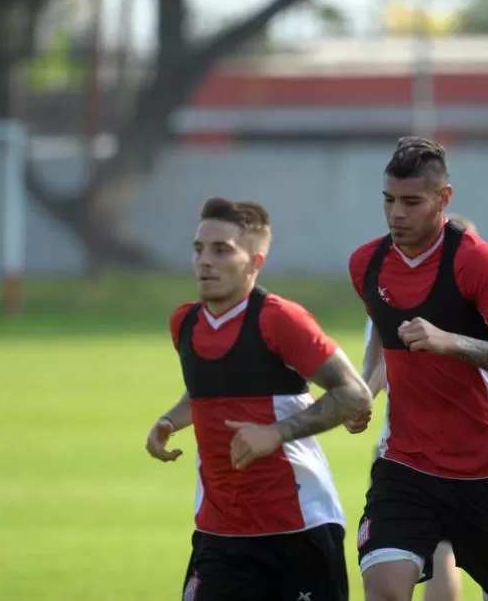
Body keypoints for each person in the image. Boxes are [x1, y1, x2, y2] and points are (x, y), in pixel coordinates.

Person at [144, 197, 373, 601]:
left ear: (255, 262)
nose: (205, 261)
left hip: (299, 529)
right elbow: (206, 388)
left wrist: (276, 433)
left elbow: (355, 393)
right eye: (199, 249)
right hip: (220, 531)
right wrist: (170, 420)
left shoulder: (280, 319)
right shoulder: (185, 323)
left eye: (221, 250)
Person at [348, 136, 488, 601]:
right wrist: (365, 389)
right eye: (389, 200)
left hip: (487, 468)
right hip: (405, 462)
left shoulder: (477, 262)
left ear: (444, 198)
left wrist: (453, 343)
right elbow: (382, 329)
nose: (397, 213)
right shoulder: (367, 264)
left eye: (412, 202)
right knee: (385, 588)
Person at [359, 212, 488, 601]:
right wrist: (358, 402)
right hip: (406, 455)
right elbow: (379, 365)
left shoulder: (479, 298)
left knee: (463, 562)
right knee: (428, 558)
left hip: (481, 460)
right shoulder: (388, 293)